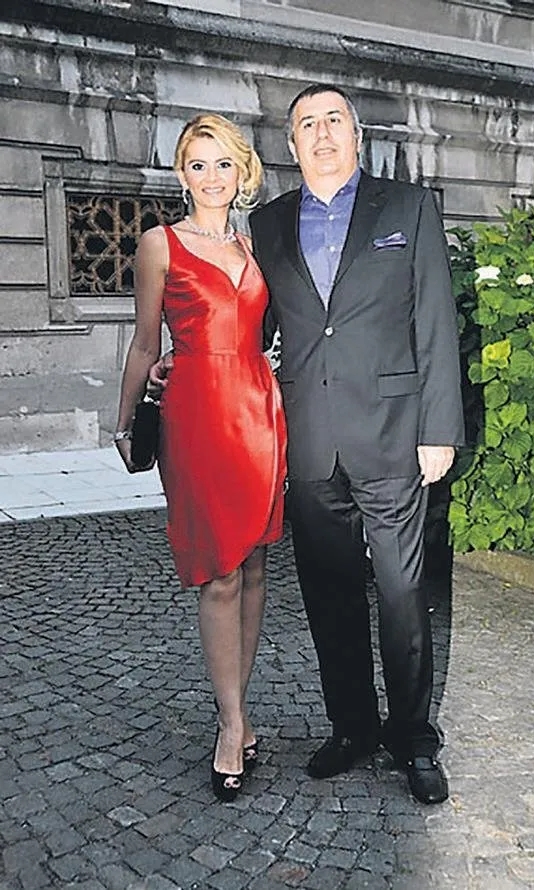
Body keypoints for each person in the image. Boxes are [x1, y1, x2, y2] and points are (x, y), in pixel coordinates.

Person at [151, 85, 465, 804]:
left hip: (393, 435)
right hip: (306, 438)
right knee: (328, 594)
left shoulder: (408, 208)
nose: (322, 134)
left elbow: (434, 322)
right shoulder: (269, 224)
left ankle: (414, 738)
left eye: (334, 121)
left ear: (357, 134)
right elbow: (247, 322)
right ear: (291, 144)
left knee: (401, 592)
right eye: (306, 125)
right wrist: (183, 357)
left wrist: (439, 429)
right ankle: (352, 727)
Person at [114, 113, 287, 803]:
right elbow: (143, 342)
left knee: (255, 566)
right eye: (197, 164)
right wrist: (125, 420)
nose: (211, 177)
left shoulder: (256, 244)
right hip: (197, 414)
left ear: (241, 170)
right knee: (219, 572)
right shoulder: (159, 244)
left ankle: (238, 709)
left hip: (259, 412)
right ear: (181, 175)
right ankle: (231, 723)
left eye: (222, 163)